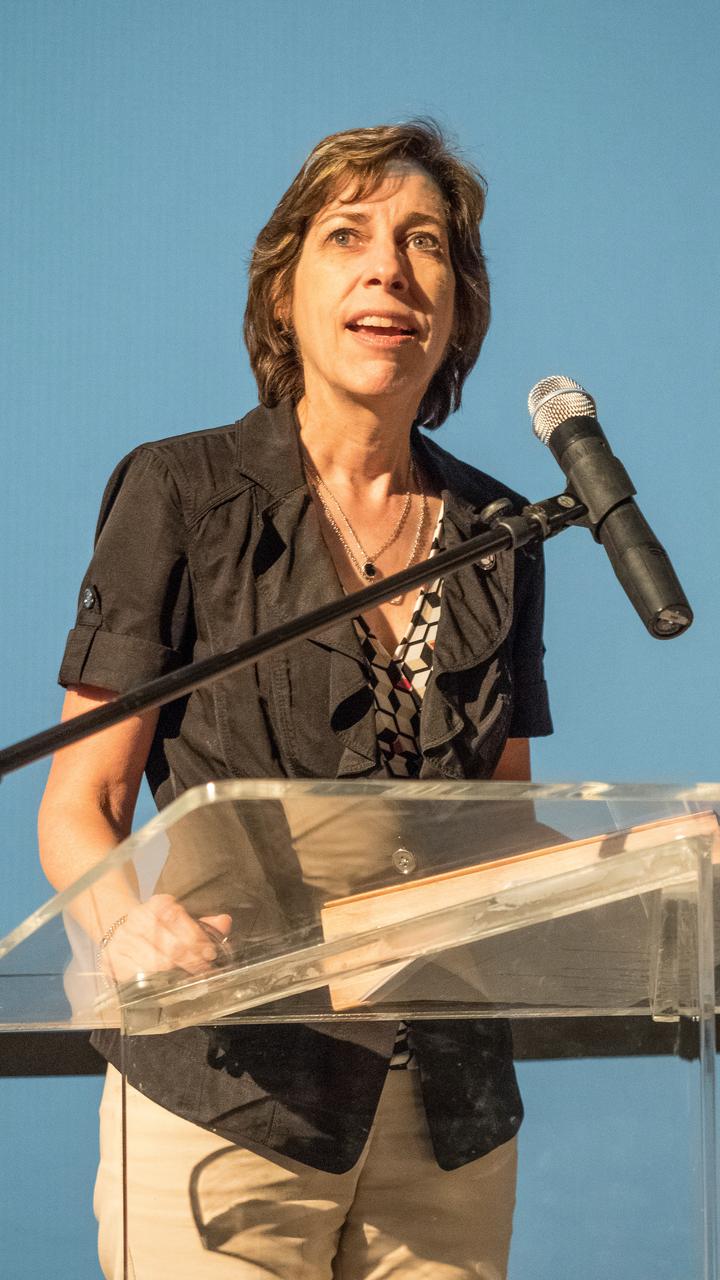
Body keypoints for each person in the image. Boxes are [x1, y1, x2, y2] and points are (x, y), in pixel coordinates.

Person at [38, 121, 552, 1280]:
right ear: (284, 294)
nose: (391, 268)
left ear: (457, 307)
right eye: (349, 236)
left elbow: (503, 828)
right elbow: (83, 801)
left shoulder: (504, 533)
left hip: (453, 1121)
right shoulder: (182, 493)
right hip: (230, 1092)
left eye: (426, 243)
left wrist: (663, 857)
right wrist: (124, 924)